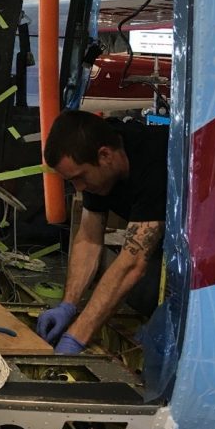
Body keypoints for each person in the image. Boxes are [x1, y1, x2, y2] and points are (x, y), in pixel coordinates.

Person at [37, 110, 168, 355]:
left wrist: (77, 337)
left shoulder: (156, 158)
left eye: (80, 178)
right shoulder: (93, 155)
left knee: (148, 296)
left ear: (105, 155)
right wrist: (68, 305)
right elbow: (88, 236)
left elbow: (132, 263)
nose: (79, 188)